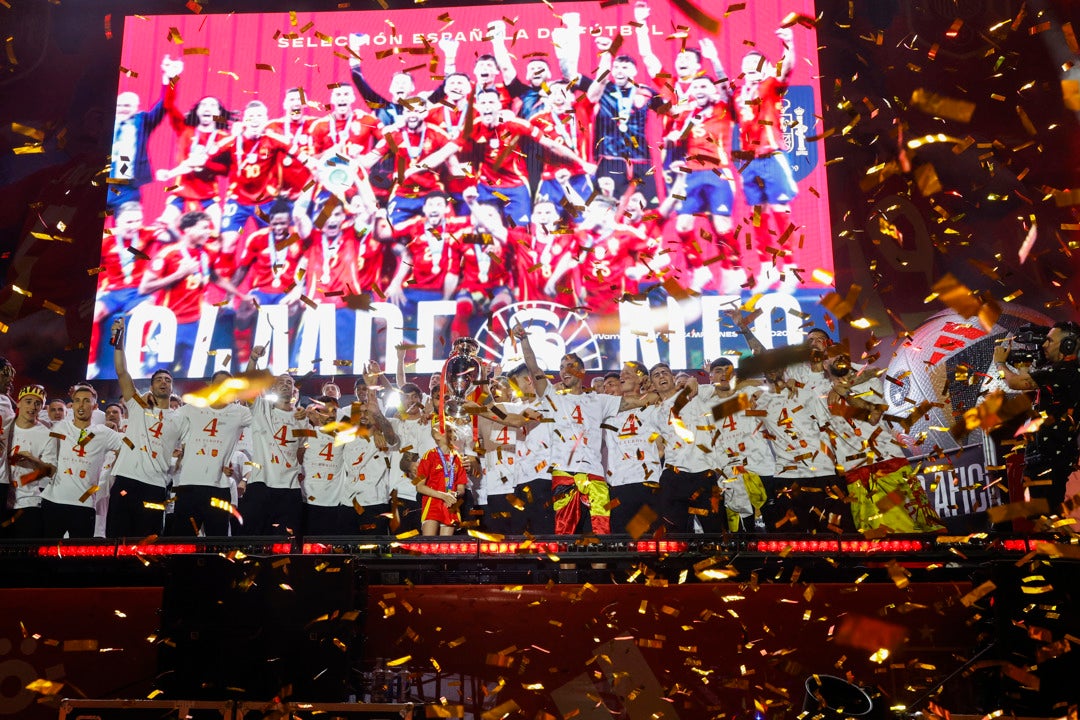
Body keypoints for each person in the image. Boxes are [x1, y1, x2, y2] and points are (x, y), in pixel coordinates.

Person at [515, 324, 659, 534]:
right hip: (565, 473)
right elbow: (534, 368)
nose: (564, 370)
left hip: (594, 475)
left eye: (570, 365)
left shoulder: (599, 401)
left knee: (600, 535)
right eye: (561, 366)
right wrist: (523, 340)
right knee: (564, 536)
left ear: (581, 371)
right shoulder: (552, 397)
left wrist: (665, 392)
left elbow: (634, 402)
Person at [138, 210, 248, 376]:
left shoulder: (206, 254)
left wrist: (242, 296)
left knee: (192, 376)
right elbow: (144, 288)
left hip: (195, 325)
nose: (208, 232)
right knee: (154, 376)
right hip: (169, 324)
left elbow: (214, 277)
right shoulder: (168, 254)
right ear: (188, 229)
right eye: (203, 228)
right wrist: (179, 274)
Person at [734, 26, 800, 291]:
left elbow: (787, 69)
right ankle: (767, 268)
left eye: (754, 65)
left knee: (780, 212)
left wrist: (789, 45)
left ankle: (791, 268)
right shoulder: (739, 96)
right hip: (748, 163)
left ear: (765, 68)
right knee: (757, 215)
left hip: (772, 157)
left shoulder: (770, 85)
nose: (749, 70)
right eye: (745, 66)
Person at [994, 322, 1080, 515]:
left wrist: (1000, 363)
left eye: (1049, 341)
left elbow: (1016, 383)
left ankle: (1057, 544)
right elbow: (1028, 382)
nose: (1044, 345)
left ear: (1067, 344)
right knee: (1041, 514)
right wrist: (1024, 365)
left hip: (1051, 457)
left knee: (1044, 516)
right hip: (1045, 455)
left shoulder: (1066, 372)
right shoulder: (1059, 372)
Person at [104, 318, 176, 538]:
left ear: (172, 387)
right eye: (159, 380)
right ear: (152, 386)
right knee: (117, 541)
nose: (164, 382)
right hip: (126, 478)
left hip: (155, 486)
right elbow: (122, 372)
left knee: (149, 546)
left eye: (168, 380)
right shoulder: (137, 405)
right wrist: (119, 343)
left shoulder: (181, 417)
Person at [159, 374, 253, 536]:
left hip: (220, 487)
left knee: (217, 544)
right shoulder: (191, 408)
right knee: (182, 541)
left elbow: (264, 417)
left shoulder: (240, 412)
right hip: (188, 486)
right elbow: (166, 424)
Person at [40, 384, 123, 538]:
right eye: (77, 401)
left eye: (86, 401)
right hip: (53, 501)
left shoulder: (104, 433)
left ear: (95, 406)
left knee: (79, 558)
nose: (81, 405)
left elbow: (127, 449)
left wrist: (113, 472)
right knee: (47, 555)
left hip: (84, 504)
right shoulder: (59, 428)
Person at [241, 347, 305, 535]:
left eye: (290, 382)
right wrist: (253, 358)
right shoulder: (262, 408)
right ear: (273, 388)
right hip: (262, 483)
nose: (286, 385)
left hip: (290, 486)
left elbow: (302, 452)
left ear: (295, 390)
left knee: (286, 542)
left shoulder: (303, 418)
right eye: (281, 382)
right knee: (254, 539)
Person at [109, 56, 183, 209]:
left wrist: (170, 79)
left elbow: (164, 105)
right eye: (120, 105)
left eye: (128, 105)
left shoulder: (142, 122)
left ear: (136, 108)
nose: (123, 108)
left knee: (126, 229)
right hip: (106, 184)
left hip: (128, 189)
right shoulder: (106, 123)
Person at [4, 385, 58, 538]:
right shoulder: (6, 425)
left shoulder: (47, 434)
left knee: (27, 553)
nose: (32, 407)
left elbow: (51, 471)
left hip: (28, 502)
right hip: (3, 498)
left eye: (37, 403)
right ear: (19, 403)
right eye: (28, 401)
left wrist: (32, 459)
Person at [299, 395, 345, 535]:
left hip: (336, 503)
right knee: (309, 549)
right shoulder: (307, 434)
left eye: (334, 411)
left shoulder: (345, 437)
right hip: (309, 501)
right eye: (326, 411)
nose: (331, 414)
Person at [416, 424, 467, 536]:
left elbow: (461, 488)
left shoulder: (458, 458)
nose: (453, 435)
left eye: (454, 431)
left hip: (450, 505)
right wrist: (443, 495)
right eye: (448, 431)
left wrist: (455, 494)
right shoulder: (428, 456)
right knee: (429, 546)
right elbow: (419, 486)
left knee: (445, 548)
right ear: (437, 436)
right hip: (432, 504)